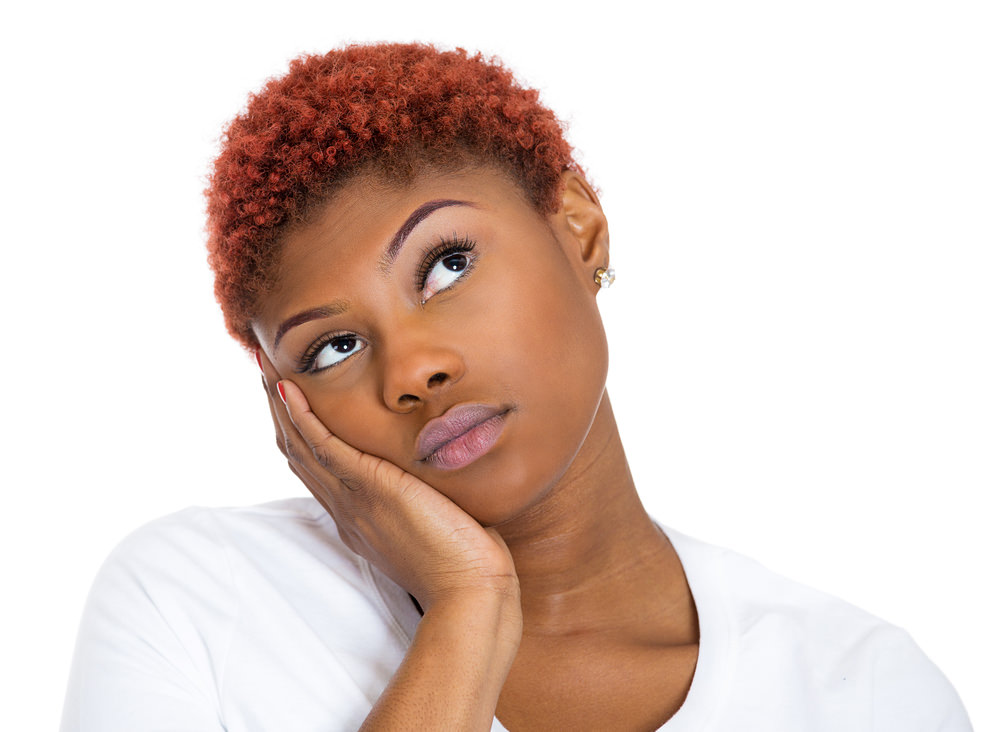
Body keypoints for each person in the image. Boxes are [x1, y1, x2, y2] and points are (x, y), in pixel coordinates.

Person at [60, 42, 971, 731]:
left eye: (447, 264)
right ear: (284, 401)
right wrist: (467, 608)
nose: (414, 370)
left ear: (579, 229)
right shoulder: (194, 602)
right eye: (333, 347)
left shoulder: (862, 690)